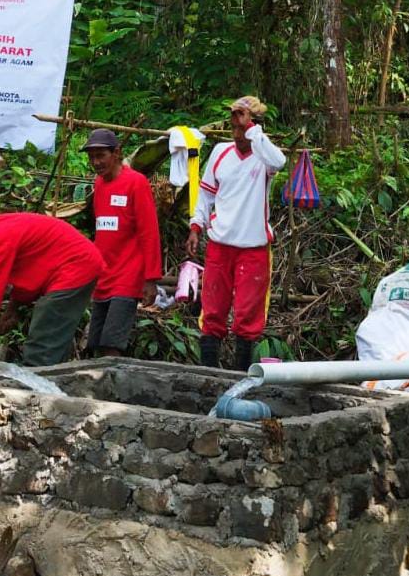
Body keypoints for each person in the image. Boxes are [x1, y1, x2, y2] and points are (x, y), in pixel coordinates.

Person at [186, 96, 287, 370]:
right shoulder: (220, 152)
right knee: (213, 310)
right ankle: (209, 372)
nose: (237, 127)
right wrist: (196, 226)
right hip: (220, 244)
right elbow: (206, 196)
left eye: (242, 120)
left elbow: (279, 162)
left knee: (247, 314)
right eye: (234, 120)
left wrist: (253, 130)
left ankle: (240, 375)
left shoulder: (263, 156)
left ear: (253, 124)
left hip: (253, 247)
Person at [0, 210, 104, 366]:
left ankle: (35, 393)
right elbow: (28, 269)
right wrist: (14, 307)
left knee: (43, 337)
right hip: (74, 264)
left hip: (77, 266)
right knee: (52, 342)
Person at [81, 129, 162, 357]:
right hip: (104, 274)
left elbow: (149, 232)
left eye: (101, 156)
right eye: (92, 157)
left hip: (128, 275)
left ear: (116, 153)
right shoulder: (99, 184)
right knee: (94, 342)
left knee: (112, 343)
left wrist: (150, 279)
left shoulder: (136, 183)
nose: (96, 162)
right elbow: (101, 230)